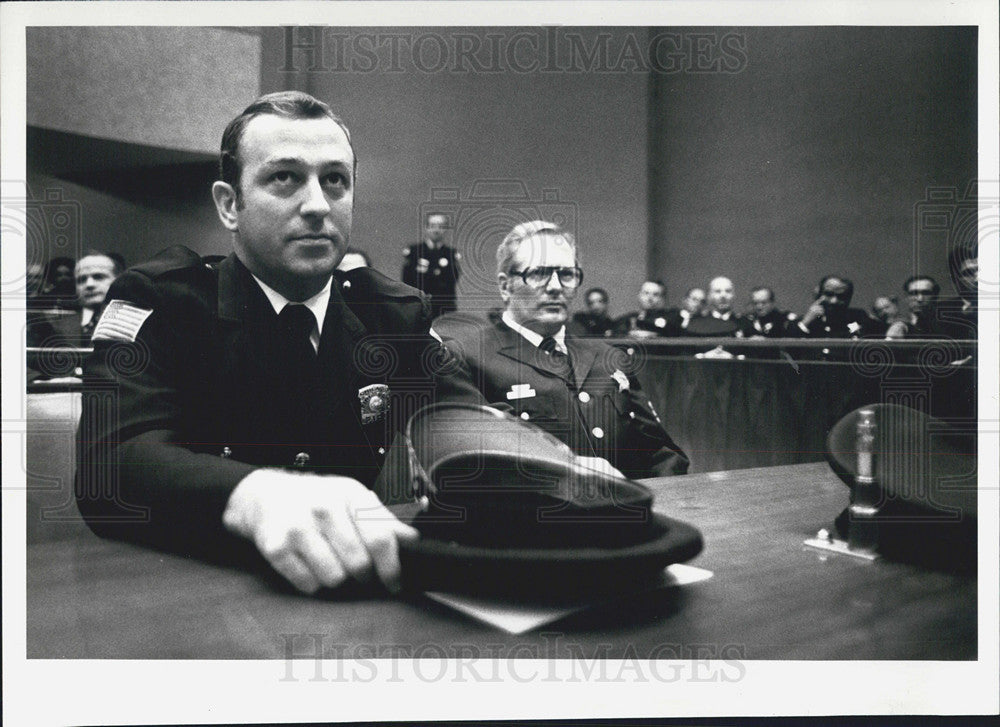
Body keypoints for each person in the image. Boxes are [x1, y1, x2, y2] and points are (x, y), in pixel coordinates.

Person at [75, 91, 484, 596]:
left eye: (335, 180)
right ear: (230, 205)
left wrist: (557, 473)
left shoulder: (391, 312)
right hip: (204, 601)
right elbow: (112, 464)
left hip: (359, 602)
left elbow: (467, 426)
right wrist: (253, 494)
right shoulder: (167, 302)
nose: (317, 205)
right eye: (284, 178)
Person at [437, 220, 689, 479]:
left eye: (566, 274)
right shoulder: (466, 358)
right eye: (538, 274)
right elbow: (475, 471)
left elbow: (663, 454)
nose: (556, 286)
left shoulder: (608, 357)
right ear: (505, 286)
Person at [27, 250, 124, 350]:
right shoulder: (52, 325)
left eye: (98, 277)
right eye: (81, 280)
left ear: (118, 281)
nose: (89, 285)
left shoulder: (131, 322)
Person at [401, 213, 461, 319]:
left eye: (440, 226)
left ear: (446, 229)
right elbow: (407, 279)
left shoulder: (451, 254)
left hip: (443, 308)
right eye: (432, 226)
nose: (436, 230)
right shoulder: (415, 252)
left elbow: (453, 278)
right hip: (419, 307)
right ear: (426, 228)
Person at [792, 275, 885, 338]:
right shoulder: (805, 323)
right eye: (829, 294)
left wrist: (898, 323)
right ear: (819, 295)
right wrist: (806, 322)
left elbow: (883, 333)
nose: (834, 301)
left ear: (849, 298)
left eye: (841, 296)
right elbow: (789, 351)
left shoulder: (859, 317)